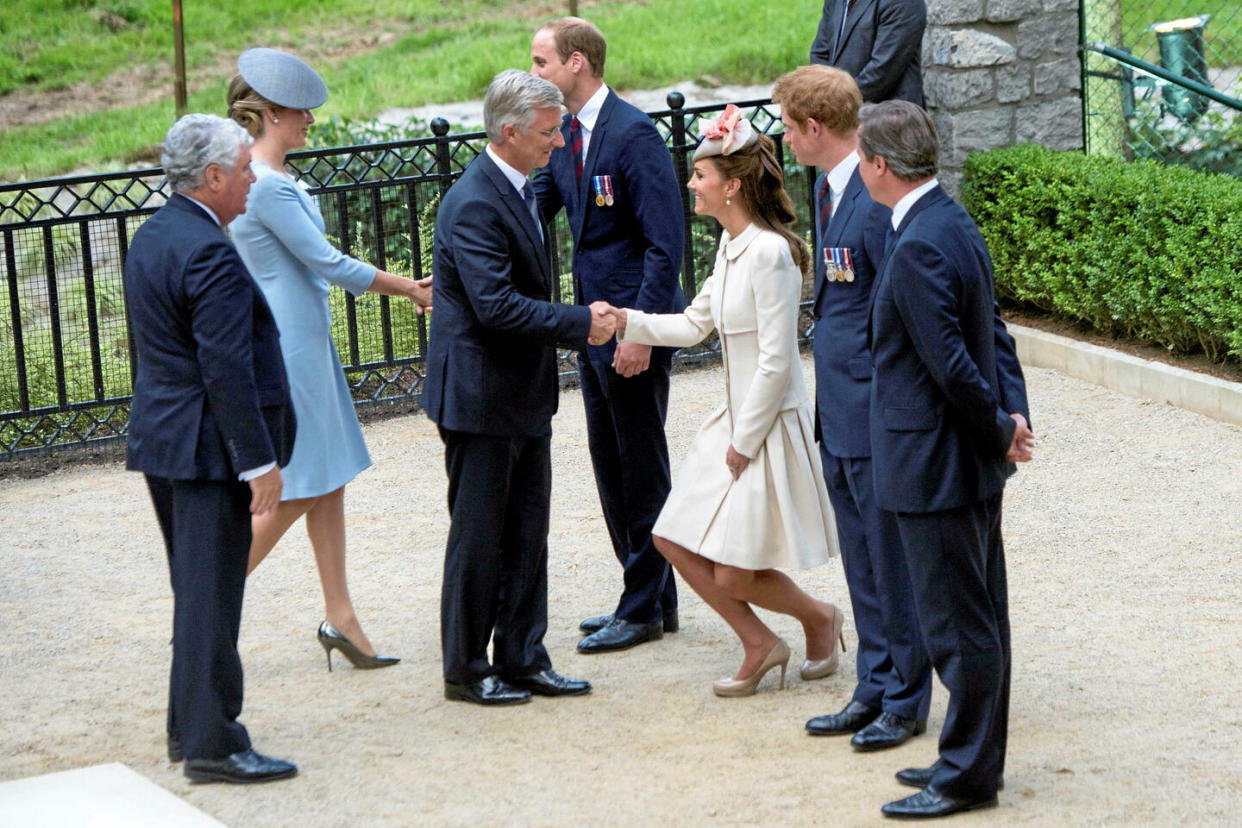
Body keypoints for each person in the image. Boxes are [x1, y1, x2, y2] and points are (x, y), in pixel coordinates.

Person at [599, 107, 844, 697]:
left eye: (700, 175)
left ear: (731, 184)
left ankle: (817, 618)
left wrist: (744, 441)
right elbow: (691, 326)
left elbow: (776, 361)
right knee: (670, 537)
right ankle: (762, 642)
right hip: (730, 421)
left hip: (763, 425)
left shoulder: (770, 253)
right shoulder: (730, 249)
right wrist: (622, 320)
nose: (690, 185)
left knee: (735, 568)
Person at [227, 47, 431, 670]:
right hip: (291, 345)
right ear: (271, 115)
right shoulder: (266, 188)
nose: (311, 120)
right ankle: (210, 604)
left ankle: (340, 617)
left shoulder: (270, 180)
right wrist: (408, 287)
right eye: (301, 112)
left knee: (328, 479)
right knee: (296, 485)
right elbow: (329, 264)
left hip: (301, 339)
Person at [857, 100, 1034, 819]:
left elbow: (955, 363)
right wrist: (1012, 416)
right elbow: (992, 332)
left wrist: (998, 425)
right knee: (978, 616)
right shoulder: (948, 220)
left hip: (937, 465)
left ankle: (966, 775)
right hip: (961, 458)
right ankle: (969, 757)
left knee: (961, 628)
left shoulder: (922, 241)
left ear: (877, 166)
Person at [423, 69, 611, 706]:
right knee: (480, 537)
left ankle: (524, 657)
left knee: (528, 530)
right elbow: (496, 307)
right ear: (509, 132)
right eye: (548, 132)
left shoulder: (519, 187)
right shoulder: (475, 200)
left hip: (520, 393)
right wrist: (582, 323)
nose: (557, 143)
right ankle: (468, 669)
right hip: (480, 399)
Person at [125, 113, 298, 783]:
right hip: (206, 449)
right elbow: (226, 367)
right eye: (244, 167)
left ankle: (187, 728)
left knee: (196, 592)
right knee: (211, 598)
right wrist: (258, 463)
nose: (255, 176)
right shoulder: (207, 251)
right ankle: (214, 745)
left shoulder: (156, 234)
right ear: (215, 176)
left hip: (168, 441)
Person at [772, 65, 933, 751]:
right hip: (840, 411)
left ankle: (905, 696)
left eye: (785, 125)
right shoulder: (834, 188)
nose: (780, 136)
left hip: (871, 413)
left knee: (890, 562)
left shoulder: (872, 202)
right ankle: (873, 684)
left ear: (813, 129)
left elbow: (889, 315)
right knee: (862, 562)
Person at [530, 17, 685, 654]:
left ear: (577, 63)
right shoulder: (565, 131)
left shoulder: (632, 134)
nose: (533, 72)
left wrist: (642, 332)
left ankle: (643, 607)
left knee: (639, 465)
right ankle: (649, 594)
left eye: (541, 62)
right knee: (609, 463)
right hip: (593, 330)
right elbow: (536, 197)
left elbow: (664, 244)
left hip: (632, 330)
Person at [809, 0, 927, 106]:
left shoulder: (904, 3)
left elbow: (882, 71)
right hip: (841, 114)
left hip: (889, 118)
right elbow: (820, 53)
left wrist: (834, 101)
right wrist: (824, 95)